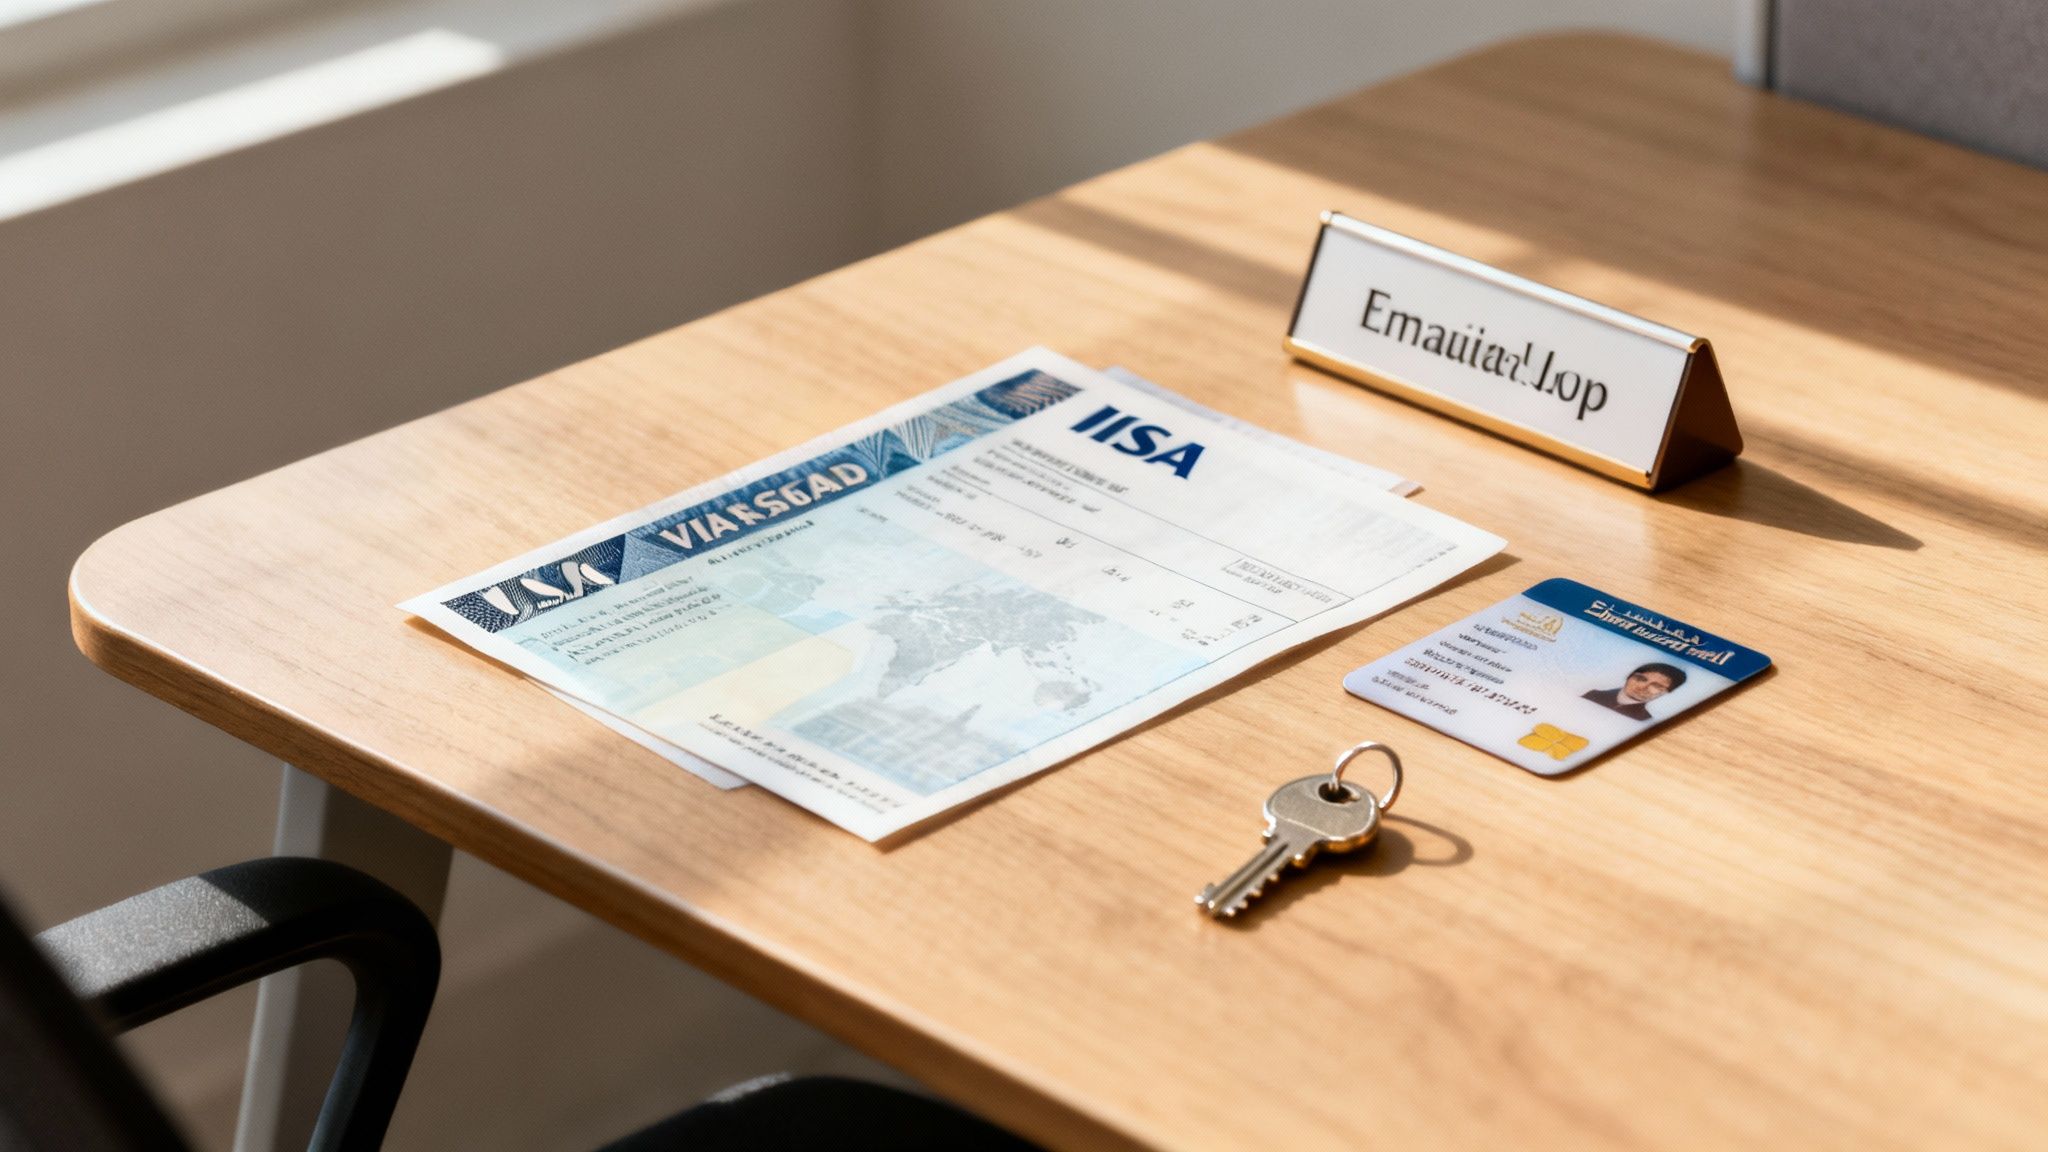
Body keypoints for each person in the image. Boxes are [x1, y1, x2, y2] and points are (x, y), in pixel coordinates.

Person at [1582, 662, 1686, 722]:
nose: (1642, 686)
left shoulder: (1644, 720)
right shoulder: (1593, 695)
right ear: (1629, 677)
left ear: (1666, 692)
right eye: (1640, 678)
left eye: (1656, 686)